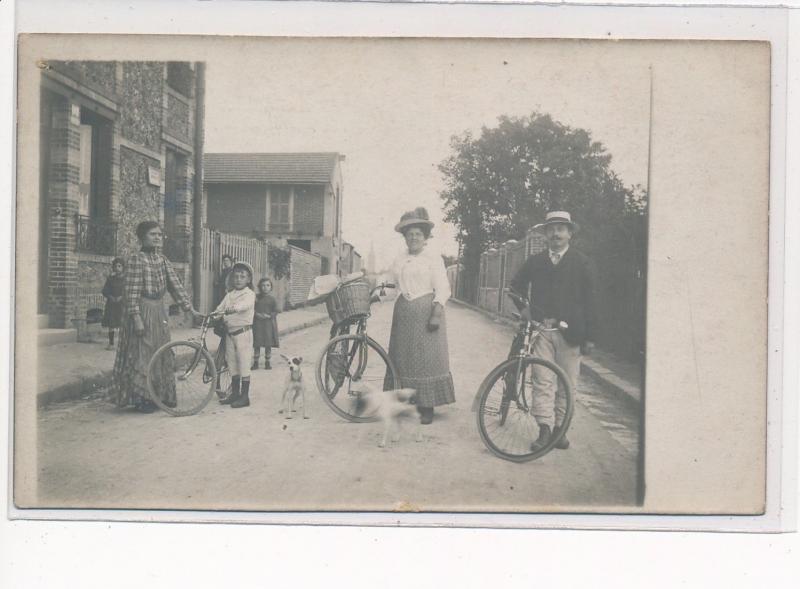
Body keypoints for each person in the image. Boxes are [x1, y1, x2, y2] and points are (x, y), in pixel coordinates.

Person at [509, 210, 598, 451]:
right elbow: (515, 287)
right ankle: (545, 430)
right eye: (551, 229)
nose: (556, 233)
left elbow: (591, 300)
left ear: (570, 234)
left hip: (572, 334)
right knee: (542, 380)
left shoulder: (581, 262)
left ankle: (561, 429)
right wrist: (525, 309)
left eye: (561, 229)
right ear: (545, 235)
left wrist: (590, 336)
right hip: (541, 331)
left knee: (567, 382)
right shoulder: (536, 261)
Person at [111, 221, 200, 413]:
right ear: (142, 237)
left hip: (160, 311)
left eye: (159, 234)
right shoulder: (136, 260)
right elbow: (131, 293)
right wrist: (136, 318)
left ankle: (162, 395)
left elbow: (175, 285)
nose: (157, 237)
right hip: (143, 309)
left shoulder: (162, 260)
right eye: (153, 234)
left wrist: (189, 308)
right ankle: (144, 397)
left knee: (162, 350)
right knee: (144, 351)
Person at [381, 207, 455, 425]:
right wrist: (376, 296)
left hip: (426, 312)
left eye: (418, 234)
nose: (413, 238)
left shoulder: (433, 258)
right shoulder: (399, 259)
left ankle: (427, 406)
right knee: (404, 358)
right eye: (410, 234)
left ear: (425, 237)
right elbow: (393, 287)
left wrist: (436, 312)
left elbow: (443, 287)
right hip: (404, 314)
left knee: (426, 359)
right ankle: (405, 400)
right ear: (405, 238)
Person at [215, 261, 256, 408]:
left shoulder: (249, 294)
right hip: (230, 334)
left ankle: (245, 397)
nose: (238, 279)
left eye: (242, 276)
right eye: (236, 276)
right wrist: (213, 315)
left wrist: (234, 309)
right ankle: (235, 394)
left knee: (244, 363)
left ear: (248, 279)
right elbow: (219, 308)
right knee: (232, 363)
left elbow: (245, 305)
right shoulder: (229, 295)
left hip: (243, 333)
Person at [252, 277, 280, 370]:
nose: (265, 287)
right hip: (257, 324)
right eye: (263, 285)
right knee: (257, 343)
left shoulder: (272, 299)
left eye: (267, 285)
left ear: (271, 287)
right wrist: (257, 314)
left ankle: (267, 362)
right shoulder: (256, 298)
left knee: (268, 343)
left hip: (268, 324)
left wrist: (269, 315)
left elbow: (276, 310)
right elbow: (252, 309)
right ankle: (255, 362)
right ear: (260, 287)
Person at [101, 257, 125, 350]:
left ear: (123, 267)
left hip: (121, 304)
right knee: (111, 324)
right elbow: (104, 291)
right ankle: (111, 343)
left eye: (119, 266)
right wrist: (110, 297)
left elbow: (127, 291)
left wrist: (121, 297)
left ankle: (122, 344)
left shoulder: (125, 280)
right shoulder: (111, 279)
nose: (117, 268)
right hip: (112, 304)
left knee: (122, 324)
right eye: (116, 266)